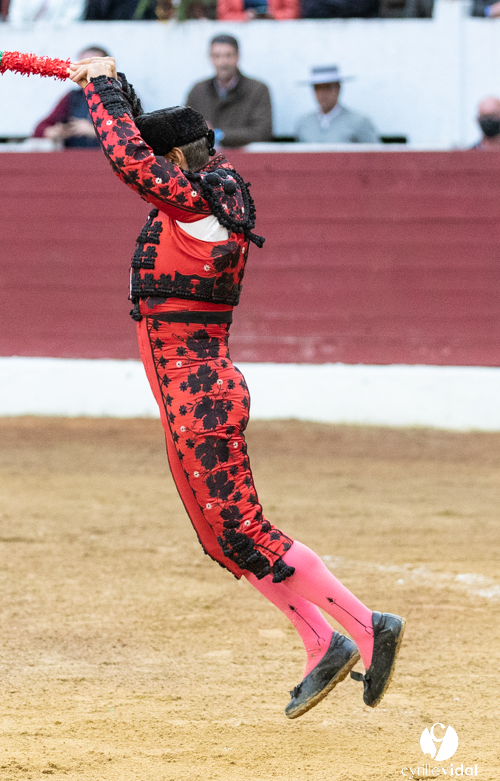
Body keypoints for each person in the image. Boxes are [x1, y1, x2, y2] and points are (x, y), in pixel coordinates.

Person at [67, 54, 404, 719]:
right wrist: (113, 87)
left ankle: (368, 626)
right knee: (221, 540)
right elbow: (139, 143)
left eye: (161, 163)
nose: (153, 175)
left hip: (198, 393)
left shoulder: (202, 202)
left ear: (177, 164)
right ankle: (320, 642)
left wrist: (100, 91)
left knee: (245, 530)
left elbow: (130, 159)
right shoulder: (197, 198)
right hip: (184, 396)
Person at [185, 34, 273, 148]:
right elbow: (184, 128)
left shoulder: (258, 90)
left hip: (245, 161)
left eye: (228, 55)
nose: (223, 62)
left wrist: (218, 135)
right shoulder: (198, 90)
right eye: (217, 56)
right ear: (210, 58)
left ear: (237, 57)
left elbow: (262, 132)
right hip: (205, 161)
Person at [32, 46, 110, 148]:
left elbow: (130, 135)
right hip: (73, 159)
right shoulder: (73, 97)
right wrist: (57, 131)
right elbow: (40, 129)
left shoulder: (123, 96)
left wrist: (93, 130)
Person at [295, 65, 379, 144]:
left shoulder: (359, 122)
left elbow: (376, 156)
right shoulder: (304, 123)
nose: (322, 94)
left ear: (338, 88)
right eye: (318, 88)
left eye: (327, 87)